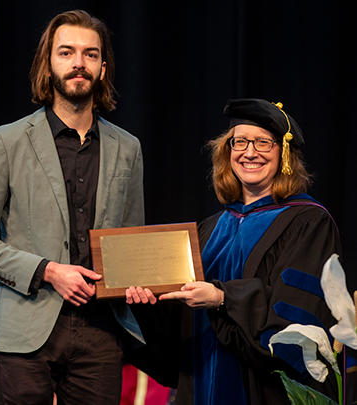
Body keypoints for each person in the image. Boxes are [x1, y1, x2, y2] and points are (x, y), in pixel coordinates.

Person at [0, 9, 145, 405]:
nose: (79, 63)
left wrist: (138, 280)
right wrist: (48, 271)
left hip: (101, 330)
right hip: (26, 326)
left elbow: (131, 242)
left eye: (90, 55)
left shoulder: (128, 147)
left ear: (103, 69)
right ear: (48, 64)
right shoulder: (7, 142)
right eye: (67, 53)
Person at [125, 98, 342, 405]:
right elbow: (178, 330)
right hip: (201, 381)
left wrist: (222, 297)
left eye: (263, 143)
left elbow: (299, 320)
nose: (250, 152)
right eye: (240, 142)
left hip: (264, 390)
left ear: (284, 155)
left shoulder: (308, 222)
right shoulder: (210, 229)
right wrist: (145, 303)